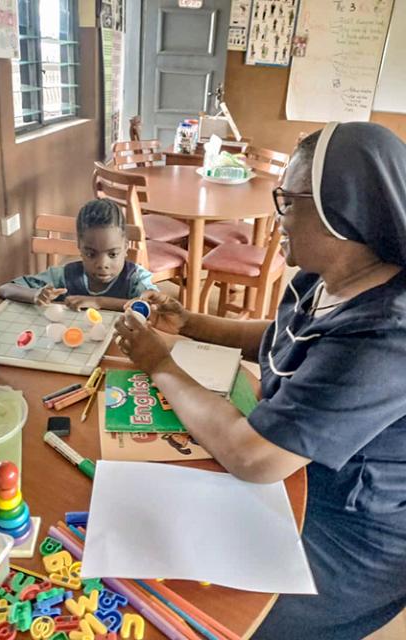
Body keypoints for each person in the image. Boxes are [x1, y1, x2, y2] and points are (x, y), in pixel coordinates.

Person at [114, 122, 406, 639]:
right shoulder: (324, 277)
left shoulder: (386, 337)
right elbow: (283, 338)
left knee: (181, 602)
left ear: (345, 213)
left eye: (287, 201)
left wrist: (160, 363)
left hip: (346, 530)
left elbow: (254, 457)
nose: (278, 218)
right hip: (297, 474)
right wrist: (191, 324)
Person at [0, 199, 158, 311]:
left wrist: (99, 302)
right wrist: (35, 295)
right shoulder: (63, 276)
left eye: (113, 254)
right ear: (79, 247)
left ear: (126, 246)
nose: (102, 263)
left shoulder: (136, 278)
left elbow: (152, 306)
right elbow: (5, 289)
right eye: (91, 253)